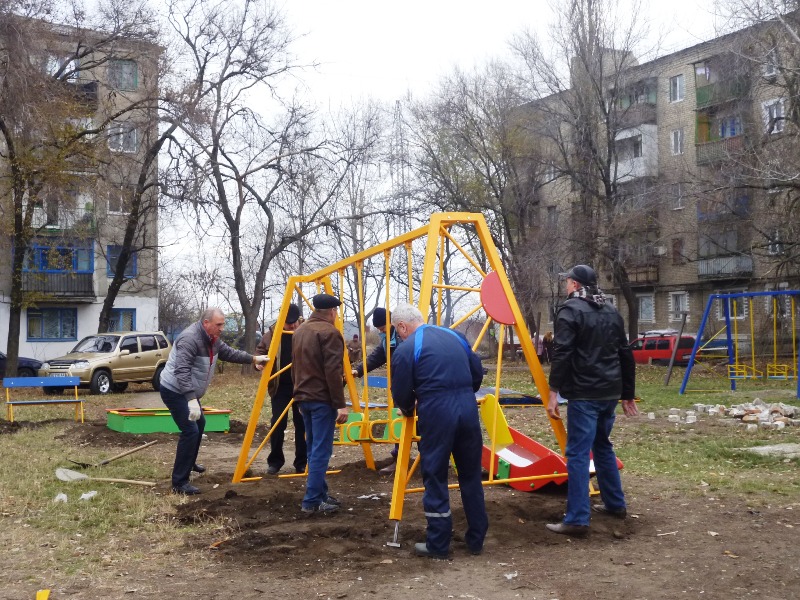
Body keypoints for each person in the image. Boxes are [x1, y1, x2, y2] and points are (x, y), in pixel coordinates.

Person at [389, 303, 488, 559]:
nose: (398, 336)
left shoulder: (408, 348)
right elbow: (477, 372)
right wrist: (463, 392)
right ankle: (476, 538)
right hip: (467, 408)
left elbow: (400, 392)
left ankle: (438, 543)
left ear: (402, 326)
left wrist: (410, 409)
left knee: (435, 475)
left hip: (436, 411)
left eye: (396, 331)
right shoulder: (455, 336)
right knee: (470, 474)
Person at [545, 265, 637, 537]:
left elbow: (562, 352)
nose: (565, 286)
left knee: (577, 454)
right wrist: (627, 393)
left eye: (567, 282)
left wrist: (553, 392)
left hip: (584, 393)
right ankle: (615, 504)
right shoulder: (610, 311)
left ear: (574, 285)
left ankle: (576, 519)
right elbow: (625, 353)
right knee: (603, 446)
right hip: (609, 392)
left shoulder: (570, 310)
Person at [160, 308, 269, 495]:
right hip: (174, 390)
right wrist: (191, 400)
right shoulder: (190, 339)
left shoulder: (212, 339)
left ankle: (189, 461)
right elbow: (182, 371)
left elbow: (229, 353)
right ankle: (179, 482)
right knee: (190, 430)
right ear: (206, 323)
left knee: (200, 423)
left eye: (223, 324)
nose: (222, 328)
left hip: (187, 392)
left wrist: (253, 359)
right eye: (219, 324)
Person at [292, 293, 349, 514]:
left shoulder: (300, 331)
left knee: (313, 447)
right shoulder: (330, 333)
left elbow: (295, 367)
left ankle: (321, 494)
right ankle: (312, 501)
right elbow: (333, 372)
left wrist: (297, 396)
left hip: (304, 398)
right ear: (333, 312)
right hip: (322, 400)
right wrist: (340, 404)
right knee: (321, 451)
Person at [256, 304, 306, 475]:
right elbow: (260, 352)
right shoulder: (271, 335)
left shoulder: (306, 331)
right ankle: (275, 461)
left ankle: (302, 462)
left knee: (303, 424)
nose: (292, 326)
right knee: (278, 423)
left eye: (294, 323)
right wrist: (259, 363)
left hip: (302, 385)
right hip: (280, 386)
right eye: (288, 324)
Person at [351, 307, 401, 475]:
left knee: (418, 422)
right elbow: (378, 356)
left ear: (392, 322)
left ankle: (425, 460)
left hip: (412, 386)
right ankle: (399, 458)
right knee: (398, 421)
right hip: (399, 387)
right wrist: (359, 370)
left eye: (382, 328)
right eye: (379, 330)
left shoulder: (403, 337)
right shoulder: (388, 339)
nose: (381, 332)